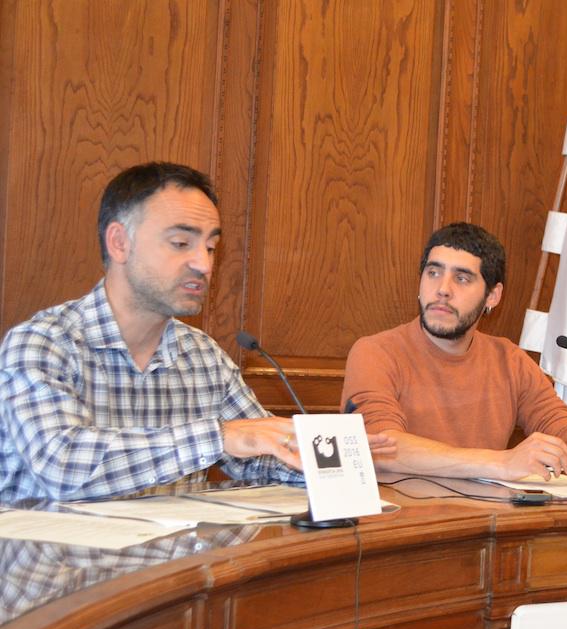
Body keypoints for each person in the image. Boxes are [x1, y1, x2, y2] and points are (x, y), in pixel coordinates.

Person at [0, 161, 393, 503]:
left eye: (210, 247)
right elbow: (63, 465)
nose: (203, 265)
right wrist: (219, 437)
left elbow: (260, 455)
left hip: (175, 564)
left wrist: (338, 461)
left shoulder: (202, 356)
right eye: (181, 243)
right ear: (119, 243)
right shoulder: (42, 343)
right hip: (57, 565)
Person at [341, 222, 567, 480]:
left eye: (461, 278)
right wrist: (500, 462)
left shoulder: (510, 360)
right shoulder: (375, 353)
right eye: (433, 273)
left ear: (492, 296)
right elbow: (381, 450)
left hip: (485, 506)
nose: (442, 289)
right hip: (401, 506)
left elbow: (566, 432)